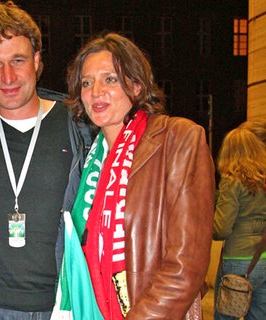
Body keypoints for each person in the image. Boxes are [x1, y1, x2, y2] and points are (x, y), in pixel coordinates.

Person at [0, 1, 93, 319]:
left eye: (18, 60)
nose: (7, 76)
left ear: (37, 61)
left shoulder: (80, 124)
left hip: (66, 304)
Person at [54, 32, 215, 319]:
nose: (96, 91)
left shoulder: (177, 140)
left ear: (137, 85)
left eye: (110, 79)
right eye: (87, 83)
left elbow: (185, 267)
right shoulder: (90, 159)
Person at [213, 121, 266, 320]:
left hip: (239, 260)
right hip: (263, 257)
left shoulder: (232, 181)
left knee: (227, 315)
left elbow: (222, 229)